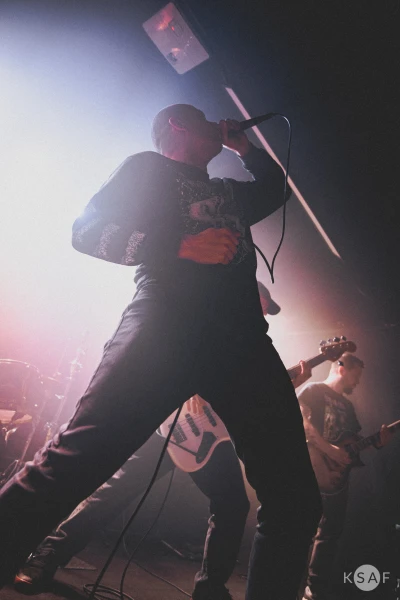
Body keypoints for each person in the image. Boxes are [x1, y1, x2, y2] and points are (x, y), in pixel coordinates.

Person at [0, 103, 321, 600]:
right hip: (166, 323)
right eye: (206, 120)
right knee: (77, 460)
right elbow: (86, 231)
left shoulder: (227, 191)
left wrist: (245, 148)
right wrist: (179, 246)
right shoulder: (146, 168)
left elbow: (276, 189)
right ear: (178, 125)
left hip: (242, 339)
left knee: (295, 497)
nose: (217, 125)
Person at [13, 285, 312, 596]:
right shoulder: (210, 320)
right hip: (172, 420)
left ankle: (209, 590)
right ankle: (46, 556)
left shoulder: (255, 350)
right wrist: (195, 383)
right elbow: (168, 351)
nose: (263, 314)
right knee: (114, 491)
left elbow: (249, 404)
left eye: (266, 311)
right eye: (260, 305)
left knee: (233, 505)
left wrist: (291, 386)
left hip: (210, 441)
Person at [298, 353, 393, 600]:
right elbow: (302, 425)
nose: (358, 382)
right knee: (300, 529)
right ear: (341, 368)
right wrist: (331, 451)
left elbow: (353, 441)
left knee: (329, 533)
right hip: (309, 469)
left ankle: (313, 592)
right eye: (356, 375)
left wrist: (377, 442)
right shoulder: (312, 390)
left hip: (337, 478)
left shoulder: (348, 407)